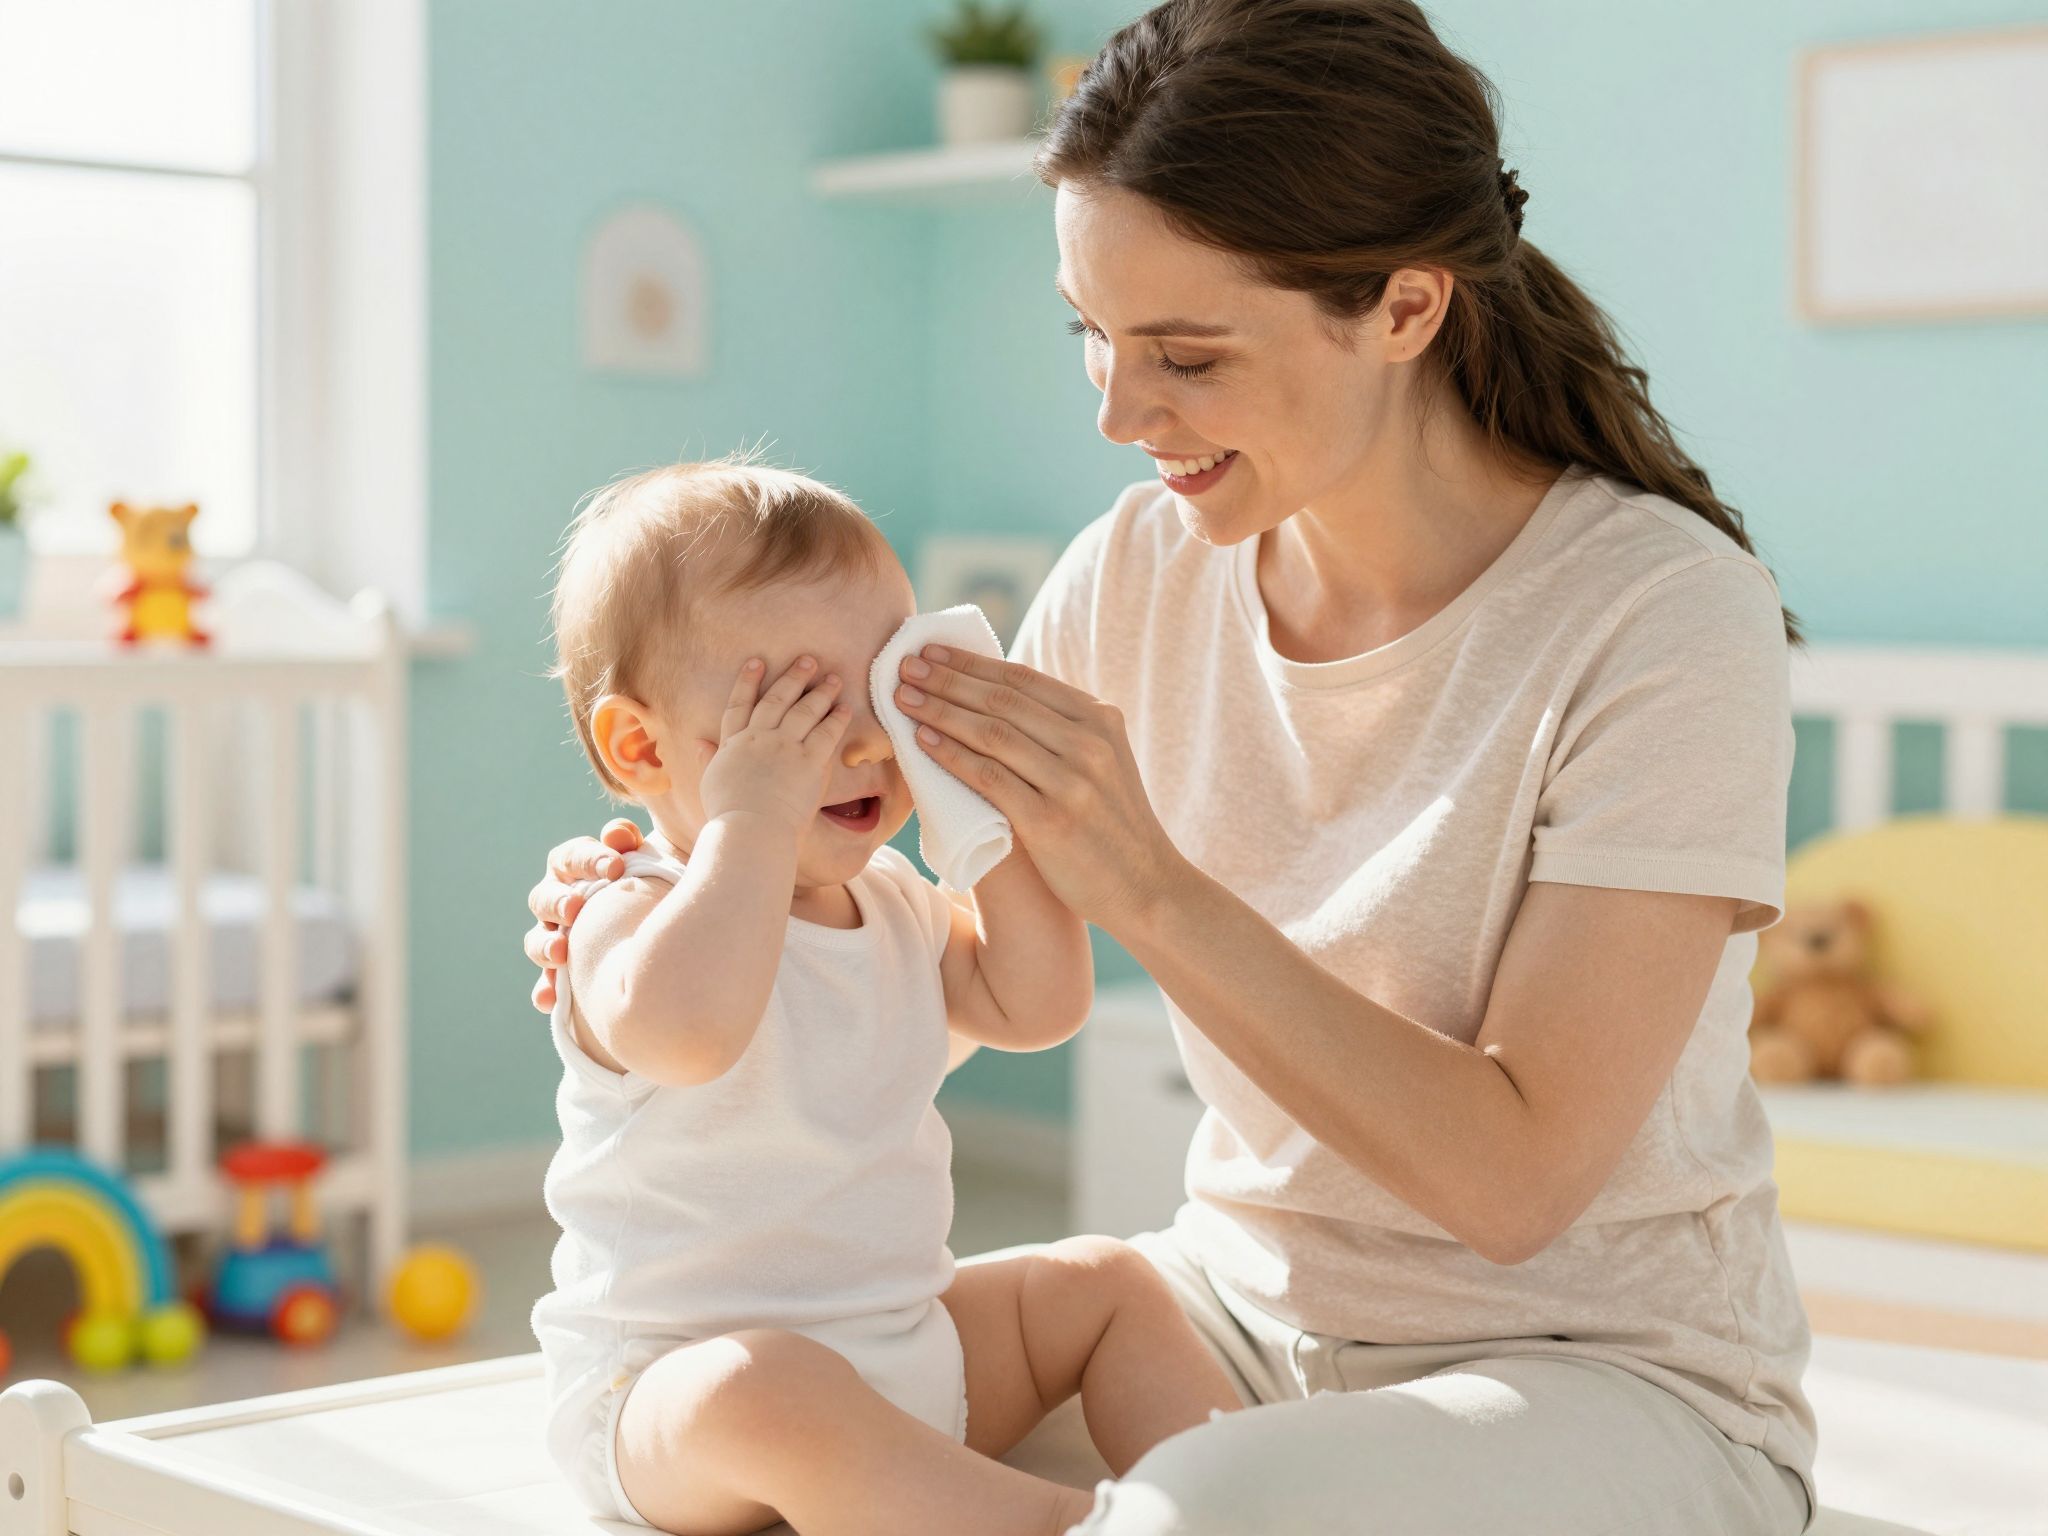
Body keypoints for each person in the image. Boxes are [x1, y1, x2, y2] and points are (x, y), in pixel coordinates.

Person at [525, 2, 1819, 1530]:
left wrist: (1149, 883)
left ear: (1406, 306)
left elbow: (1516, 1185)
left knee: (1198, 1516)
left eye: (1186, 355)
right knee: (783, 1403)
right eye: (1092, 333)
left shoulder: (1659, 615)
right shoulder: (1137, 569)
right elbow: (857, 870)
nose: (1121, 414)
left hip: (1594, 1371)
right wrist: (666, 879)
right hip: (1226, 1314)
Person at [530, 457, 1240, 1536]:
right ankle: (1085, 1528)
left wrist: (971, 796)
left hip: (910, 1356)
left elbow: (1039, 1002)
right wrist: (751, 824)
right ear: (641, 747)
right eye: (793, 716)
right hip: (675, 1401)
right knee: (763, 1390)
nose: (861, 742)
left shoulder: (898, 903)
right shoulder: (625, 909)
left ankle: (1247, 1496)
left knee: (1106, 1281)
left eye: (882, 694)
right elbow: (690, 1034)